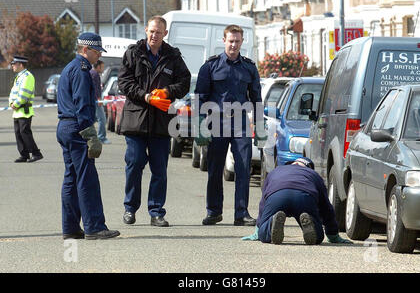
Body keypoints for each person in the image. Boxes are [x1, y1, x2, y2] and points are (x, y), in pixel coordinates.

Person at [118, 16, 191, 227]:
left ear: (165, 34)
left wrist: (168, 91)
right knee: (134, 165)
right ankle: (130, 208)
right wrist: (145, 96)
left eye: (158, 32)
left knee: (159, 170)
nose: (154, 35)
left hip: (161, 122)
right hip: (136, 120)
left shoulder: (173, 57)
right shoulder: (133, 53)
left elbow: (184, 82)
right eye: (151, 31)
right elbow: (124, 82)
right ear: (145, 30)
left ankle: (156, 211)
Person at [194, 24, 265, 226]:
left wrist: (259, 127)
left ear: (242, 42)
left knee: (243, 167)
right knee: (215, 168)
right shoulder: (210, 67)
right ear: (224, 41)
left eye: (237, 41)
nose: (233, 45)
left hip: (241, 122)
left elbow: (257, 98)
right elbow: (199, 97)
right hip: (217, 121)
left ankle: (241, 214)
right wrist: (199, 125)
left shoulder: (249, 68)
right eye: (230, 41)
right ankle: (214, 211)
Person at [56, 32, 120, 240]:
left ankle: (71, 227)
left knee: (71, 179)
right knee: (87, 179)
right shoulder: (83, 70)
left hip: (65, 127)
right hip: (77, 128)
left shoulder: (69, 68)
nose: (98, 57)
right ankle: (94, 226)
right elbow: (83, 105)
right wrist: (90, 134)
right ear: (85, 49)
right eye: (96, 52)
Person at [242, 157, 353, 245]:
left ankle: (271, 224)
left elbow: (263, 203)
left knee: (263, 233)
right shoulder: (313, 175)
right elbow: (326, 207)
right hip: (304, 197)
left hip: (277, 195)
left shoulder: (276, 171)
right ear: (308, 167)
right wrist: (333, 234)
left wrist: (258, 228)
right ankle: (311, 226)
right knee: (318, 236)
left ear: (291, 164)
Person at [8, 55, 43, 163]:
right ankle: (24, 155)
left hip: (24, 110)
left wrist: (16, 104)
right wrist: (11, 103)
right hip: (17, 111)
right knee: (18, 133)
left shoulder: (27, 76)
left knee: (25, 132)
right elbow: (13, 92)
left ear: (21, 65)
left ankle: (36, 153)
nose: (12, 66)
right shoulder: (19, 76)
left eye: (14, 64)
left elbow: (24, 94)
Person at [90, 60, 110, 144]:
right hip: (96, 100)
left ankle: (89, 136)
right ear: (98, 67)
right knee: (102, 119)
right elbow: (95, 88)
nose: (103, 69)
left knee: (92, 119)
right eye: (102, 67)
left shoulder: (93, 73)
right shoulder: (94, 74)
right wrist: (98, 98)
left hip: (94, 100)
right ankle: (101, 137)